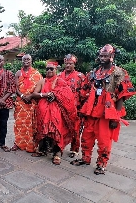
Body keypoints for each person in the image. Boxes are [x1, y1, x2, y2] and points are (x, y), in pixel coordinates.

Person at [70, 44, 135, 175]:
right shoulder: (94, 73)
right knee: (86, 138)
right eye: (101, 55)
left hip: (106, 113)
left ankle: (101, 164)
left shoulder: (118, 73)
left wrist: (116, 116)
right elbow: (84, 90)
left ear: (112, 56)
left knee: (104, 140)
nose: (102, 58)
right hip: (91, 111)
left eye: (105, 56)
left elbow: (122, 95)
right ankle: (85, 158)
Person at [31, 61, 77, 165]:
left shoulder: (60, 81)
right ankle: (43, 149)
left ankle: (57, 153)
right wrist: (46, 94)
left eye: (51, 69)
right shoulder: (42, 81)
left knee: (56, 129)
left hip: (56, 110)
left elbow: (68, 95)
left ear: (56, 70)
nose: (49, 71)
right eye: (47, 69)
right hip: (43, 109)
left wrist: (55, 95)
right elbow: (34, 93)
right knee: (43, 129)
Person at [11, 54, 43, 153]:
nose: (26, 61)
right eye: (24, 59)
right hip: (21, 102)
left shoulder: (37, 73)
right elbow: (15, 88)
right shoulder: (18, 73)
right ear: (22, 60)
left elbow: (40, 87)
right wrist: (22, 96)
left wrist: (31, 96)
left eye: (28, 59)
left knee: (31, 124)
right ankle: (18, 143)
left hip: (32, 102)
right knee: (19, 124)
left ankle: (31, 144)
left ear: (31, 61)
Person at [59, 54, 85, 158]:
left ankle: (74, 149)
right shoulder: (59, 76)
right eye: (66, 63)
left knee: (75, 129)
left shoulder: (80, 76)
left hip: (75, 108)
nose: (68, 65)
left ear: (74, 64)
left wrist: (83, 109)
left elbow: (84, 93)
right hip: (61, 107)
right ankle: (59, 147)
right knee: (60, 128)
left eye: (70, 63)